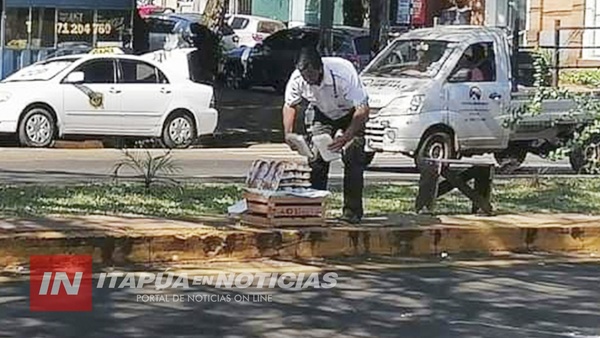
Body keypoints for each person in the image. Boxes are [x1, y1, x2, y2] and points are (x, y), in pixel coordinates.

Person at [282, 47, 370, 224]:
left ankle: (352, 212)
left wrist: (346, 137)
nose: (308, 80)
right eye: (304, 77)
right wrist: (288, 133)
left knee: (353, 156)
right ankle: (314, 210)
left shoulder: (343, 74)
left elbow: (363, 109)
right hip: (322, 111)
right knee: (316, 159)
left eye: (311, 76)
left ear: (320, 68)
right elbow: (290, 105)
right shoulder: (298, 78)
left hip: (351, 113)